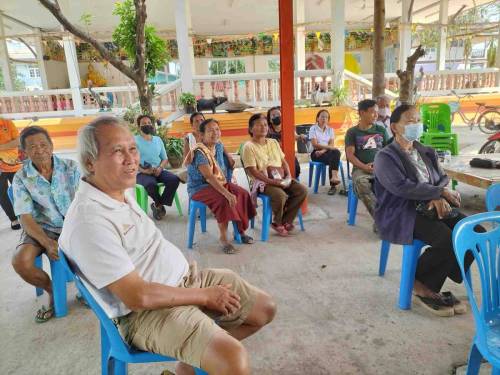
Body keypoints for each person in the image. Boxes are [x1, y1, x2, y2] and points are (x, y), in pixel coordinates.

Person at [59, 116, 276, 375]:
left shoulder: (119, 189)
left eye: (132, 148)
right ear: (89, 162)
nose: (131, 159)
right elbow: (138, 297)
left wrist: (199, 289)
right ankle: (203, 356)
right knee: (232, 359)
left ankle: (186, 367)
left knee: (264, 309)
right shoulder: (88, 221)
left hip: (185, 281)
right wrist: (205, 296)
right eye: (117, 151)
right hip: (146, 313)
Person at [374, 104, 476, 317]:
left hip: (431, 205)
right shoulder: (385, 156)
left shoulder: (425, 150)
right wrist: (436, 194)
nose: (417, 125)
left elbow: (442, 177)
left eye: (418, 120)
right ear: (394, 127)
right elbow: (400, 187)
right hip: (401, 211)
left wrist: (438, 194)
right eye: (410, 122)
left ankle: (434, 276)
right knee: (447, 240)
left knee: (473, 233)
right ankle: (418, 283)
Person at [11, 126, 80, 323]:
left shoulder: (71, 168)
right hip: (40, 228)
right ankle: (52, 291)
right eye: (32, 147)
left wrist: (75, 233)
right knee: (20, 261)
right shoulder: (21, 178)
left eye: (43, 144)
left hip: (72, 224)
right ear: (24, 152)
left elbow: (84, 203)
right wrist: (47, 242)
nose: (39, 150)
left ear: (51, 146)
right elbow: (24, 216)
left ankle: (87, 288)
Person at [187, 118, 256, 254]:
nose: (215, 133)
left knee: (242, 193)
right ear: (201, 135)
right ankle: (224, 238)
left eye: (217, 129)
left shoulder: (218, 146)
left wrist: (229, 185)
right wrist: (227, 192)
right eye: (210, 130)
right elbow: (209, 177)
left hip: (219, 182)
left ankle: (240, 232)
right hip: (200, 187)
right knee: (224, 199)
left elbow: (221, 169)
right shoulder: (199, 152)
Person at [242, 113, 308, 237]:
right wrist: (272, 182)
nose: (263, 127)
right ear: (251, 129)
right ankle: (277, 222)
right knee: (280, 195)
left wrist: (288, 176)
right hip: (262, 182)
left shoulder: (273, 142)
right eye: (259, 125)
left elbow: (284, 162)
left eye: (265, 125)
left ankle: (286, 220)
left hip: (280, 177)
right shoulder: (248, 147)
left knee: (302, 190)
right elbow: (253, 172)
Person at [345, 99, 389, 228]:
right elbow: (350, 155)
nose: (376, 115)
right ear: (362, 113)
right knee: (361, 183)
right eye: (373, 112)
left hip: (381, 168)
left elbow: (389, 151)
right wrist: (364, 167)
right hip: (361, 169)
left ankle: (390, 218)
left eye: (377, 112)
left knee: (397, 182)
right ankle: (381, 220)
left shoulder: (381, 130)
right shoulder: (352, 132)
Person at [135, 114, 180, 220]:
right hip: (142, 172)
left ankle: (157, 205)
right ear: (139, 127)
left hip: (158, 170)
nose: (147, 125)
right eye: (144, 123)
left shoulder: (158, 140)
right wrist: (144, 171)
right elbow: (131, 161)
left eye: (149, 123)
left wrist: (160, 168)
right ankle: (159, 205)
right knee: (151, 184)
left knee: (174, 180)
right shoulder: (134, 140)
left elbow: (164, 158)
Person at [183, 112, 235, 178]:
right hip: (198, 166)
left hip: (214, 164)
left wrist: (229, 157)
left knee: (225, 159)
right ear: (192, 124)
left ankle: (225, 180)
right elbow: (187, 161)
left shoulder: (211, 135)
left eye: (202, 120)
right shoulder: (188, 138)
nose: (200, 122)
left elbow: (220, 144)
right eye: (196, 121)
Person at [308, 109, 342, 195]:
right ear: (317, 118)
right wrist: (327, 149)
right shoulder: (313, 128)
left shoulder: (330, 130)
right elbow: (315, 144)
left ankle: (334, 178)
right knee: (334, 155)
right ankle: (333, 184)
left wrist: (323, 151)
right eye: (322, 116)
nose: (324, 119)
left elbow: (331, 144)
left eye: (326, 117)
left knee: (336, 152)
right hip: (315, 153)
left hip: (325, 152)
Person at [266, 106, 304, 179]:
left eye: (278, 114)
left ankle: (294, 182)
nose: (276, 116)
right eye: (273, 115)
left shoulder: (287, 126)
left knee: (295, 168)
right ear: (270, 119)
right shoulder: (267, 129)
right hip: (273, 156)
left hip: (287, 153)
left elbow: (295, 136)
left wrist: (300, 137)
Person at [0, 117, 22, 230]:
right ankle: (13, 219)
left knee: (19, 190)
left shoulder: (7, 123)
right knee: (2, 194)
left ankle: (25, 215)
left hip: (13, 163)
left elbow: (17, 141)